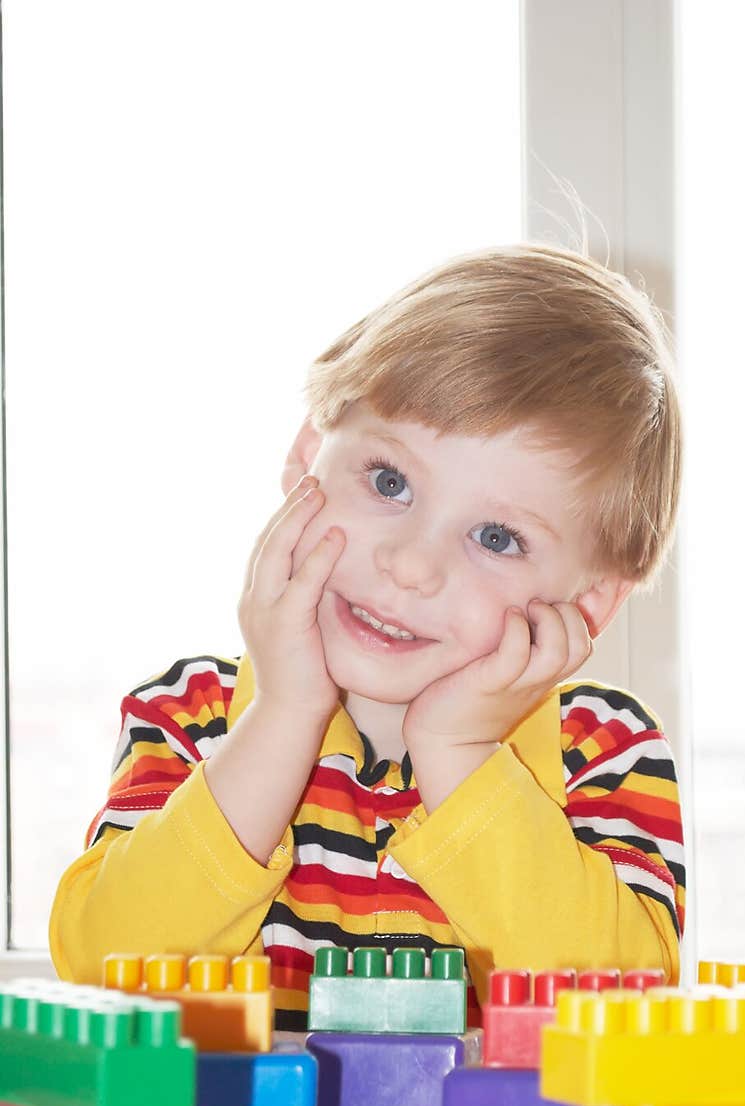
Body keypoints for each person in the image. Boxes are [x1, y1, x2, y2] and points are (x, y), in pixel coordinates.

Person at [48, 242, 686, 1031]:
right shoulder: (191, 715)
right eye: (390, 482)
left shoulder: (604, 747)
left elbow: (624, 1012)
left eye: (495, 536)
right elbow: (105, 967)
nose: (411, 564)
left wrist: (460, 752)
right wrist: (283, 716)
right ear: (309, 454)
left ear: (590, 601)